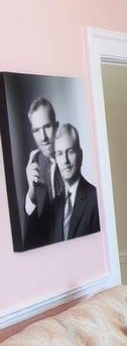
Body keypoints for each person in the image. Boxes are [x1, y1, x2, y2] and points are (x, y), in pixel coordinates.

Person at [23, 96, 66, 248]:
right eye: (36, 130)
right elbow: (30, 237)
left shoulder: (71, 158)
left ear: (57, 126)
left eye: (47, 127)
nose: (43, 138)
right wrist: (31, 193)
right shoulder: (36, 163)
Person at [51, 123, 100, 240]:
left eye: (70, 152)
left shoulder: (95, 198)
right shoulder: (55, 205)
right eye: (59, 154)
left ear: (81, 155)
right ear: (56, 159)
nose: (65, 160)